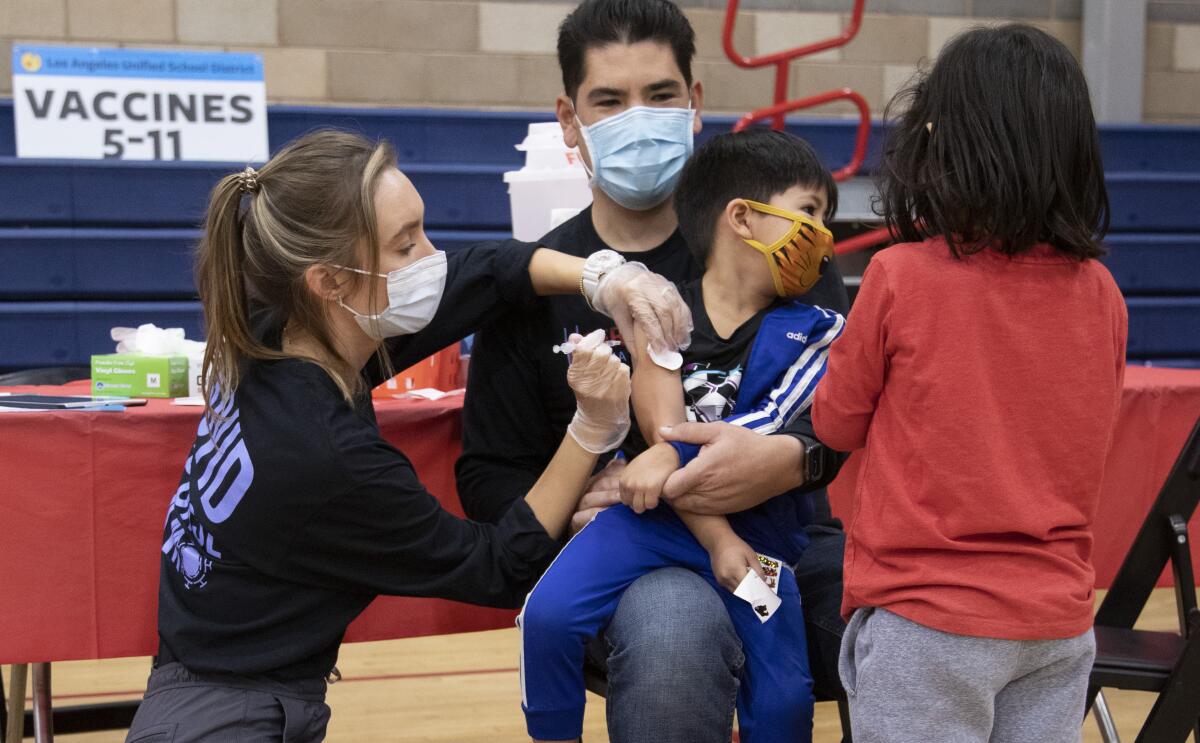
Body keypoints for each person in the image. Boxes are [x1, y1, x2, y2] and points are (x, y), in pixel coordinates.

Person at [125, 129, 691, 742]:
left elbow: (486, 273)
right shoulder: (327, 455)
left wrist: (601, 277)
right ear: (329, 280)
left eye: (422, 228)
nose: (430, 257)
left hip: (209, 684)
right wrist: (589, 431)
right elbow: (499, 567)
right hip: (230, 717)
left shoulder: (275, 332)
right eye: (405, 245)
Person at [456, 2, 851, 737]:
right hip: (635, 557)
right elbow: (487, 477)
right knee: (676, 629)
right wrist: (576, 505)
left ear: (695, 103)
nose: (639, 117)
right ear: (570, 121)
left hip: (779, 538)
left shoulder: (785, 256)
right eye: (609, 100)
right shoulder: (540, 283)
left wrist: (777, 461)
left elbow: (836, 426)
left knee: (905, 621)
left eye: (661, 95)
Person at [811, 25, 1126, 743]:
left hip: (926, 620)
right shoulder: (1102, 292)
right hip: (1056, 623)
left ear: (941, 144)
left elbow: (833, 424)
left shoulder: (899, 276)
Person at [519, 129, 844, 743]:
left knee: (781, 697)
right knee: (547, 616)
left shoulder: (820, 331)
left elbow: (770, 420)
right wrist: (687, 485)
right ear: (743, 218)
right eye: (809, 212)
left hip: (762, 538)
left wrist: (670, 456)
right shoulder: (661, 311)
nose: (824, 237)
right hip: (652, 521)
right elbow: (658, 418)